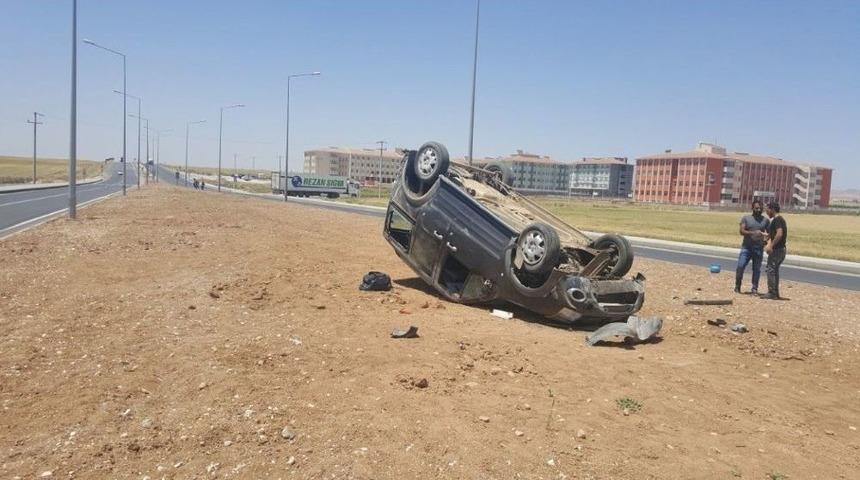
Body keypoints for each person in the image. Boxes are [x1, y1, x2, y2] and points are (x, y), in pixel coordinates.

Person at [735, 200, 769, 294]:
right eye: (756, 208)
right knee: (740, 266)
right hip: (746, 247)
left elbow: (769, 233)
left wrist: (765, 241)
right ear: (752, 208)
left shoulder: (765, 220)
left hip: (758, 248)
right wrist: (753, 233)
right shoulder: (746, 218)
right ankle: (737, 286)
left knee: (756, 269)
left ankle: (754, 288)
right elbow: (741, 231)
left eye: (760, 208)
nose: (759, 209)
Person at [762, 201, 787, 300]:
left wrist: (770, 246)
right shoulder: (777, 220)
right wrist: (767, 236)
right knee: (774, 270)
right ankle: (775, 293)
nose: (766, 211)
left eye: (767, 209)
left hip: (777, 250)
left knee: (770, 269)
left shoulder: (778, 219)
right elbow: (775, 233)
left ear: (772, 209)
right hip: (781, 250)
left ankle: (772, 292)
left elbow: (779, 234)